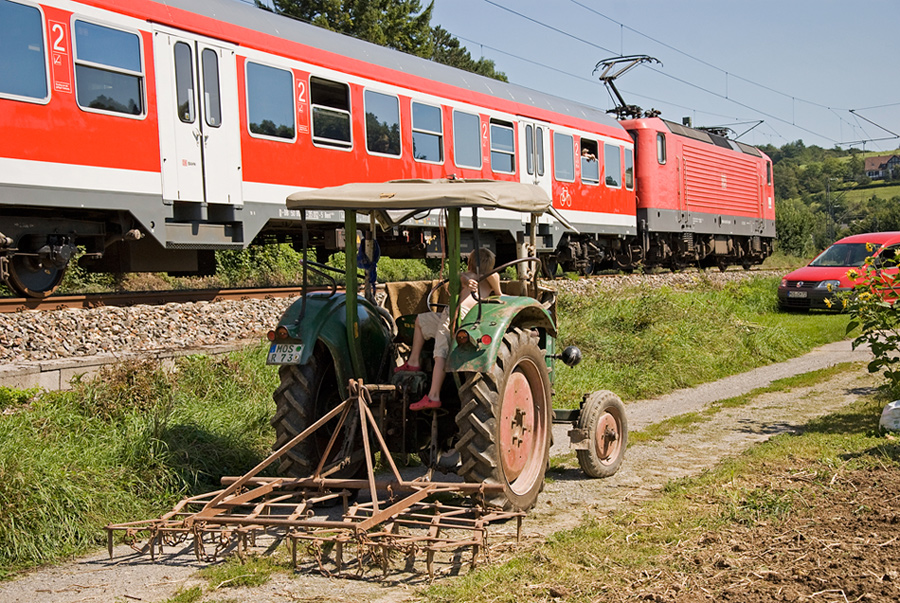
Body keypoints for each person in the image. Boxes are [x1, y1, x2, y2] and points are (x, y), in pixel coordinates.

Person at [395, 248, 502, 411]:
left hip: (457, 315)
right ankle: (413, 361)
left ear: (470, 262)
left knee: (440, 352)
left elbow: (467, 279)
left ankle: (434, 395)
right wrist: (466, 282)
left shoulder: (482, 276)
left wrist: (468, 281)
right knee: (421, 320)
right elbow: (492, 291)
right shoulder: (481, 277)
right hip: (451, 313)